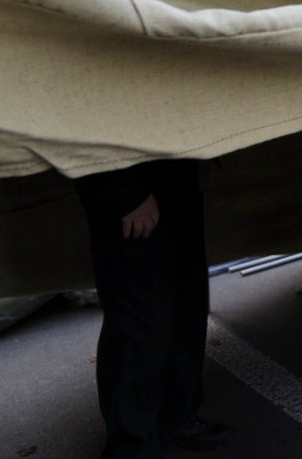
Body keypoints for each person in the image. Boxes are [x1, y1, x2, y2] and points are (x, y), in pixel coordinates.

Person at [74, 160, 233, 458]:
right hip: (128, 182)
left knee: (184, 309)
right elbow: (79, 124)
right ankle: (132, 447)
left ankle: (177, 418)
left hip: (172, 174)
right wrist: (124, 192)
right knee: (138, 322)